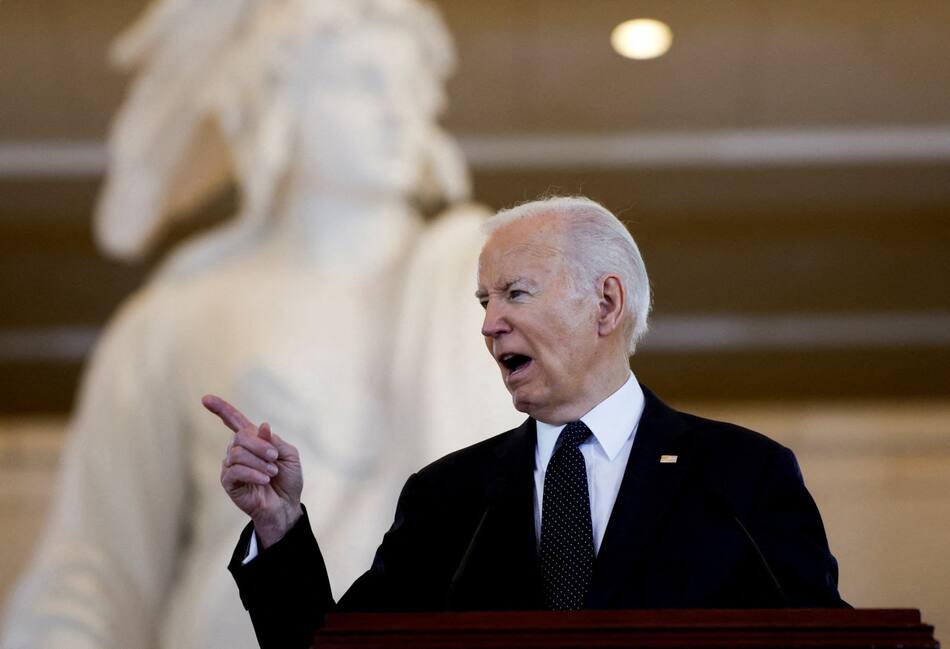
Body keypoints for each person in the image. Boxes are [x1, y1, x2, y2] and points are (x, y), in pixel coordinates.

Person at [0, 2, 519, 649]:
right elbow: (97, 567)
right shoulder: (177, 315)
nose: (399, 111)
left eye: (413, 85)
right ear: (277, 96)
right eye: (363, 82)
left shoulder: (497, 287)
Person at [206, 196, 847, 649]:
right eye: (484, 302)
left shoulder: (739, 474)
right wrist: (278, 523)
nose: (489, 324)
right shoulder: (448, 497)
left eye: (515, 294)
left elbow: (824, 637)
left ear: (606, 303)